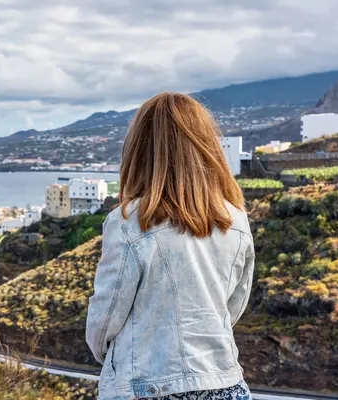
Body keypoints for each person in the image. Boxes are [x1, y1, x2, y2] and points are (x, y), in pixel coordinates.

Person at [86, 92, 255, 400]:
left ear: (140, 149)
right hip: (225, 384)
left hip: (146, 387)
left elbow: (105, 319)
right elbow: (232, 306)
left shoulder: (128, 221)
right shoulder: (235, 218)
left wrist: (114, 359)